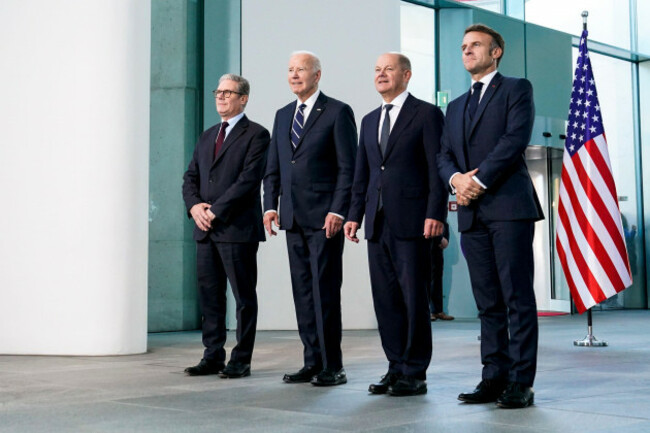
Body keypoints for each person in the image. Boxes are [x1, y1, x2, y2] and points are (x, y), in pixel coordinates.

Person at [437, 24, 544, 408]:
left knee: (516, 297)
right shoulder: (454, 106)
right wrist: (454, 180)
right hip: (471, 213)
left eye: (475, 45)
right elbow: (443, 154)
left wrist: (475, 181)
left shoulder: (516, 88)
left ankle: (521, 382)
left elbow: (513, 140)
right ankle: (493, 377)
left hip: (508, 207)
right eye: (463, 46)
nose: (467, 51)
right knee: (488, 302)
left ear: (495, 52)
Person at [344, 52, 447, 396]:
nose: (381, 74)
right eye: (377, 69)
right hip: (377, 221)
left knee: (413, 298)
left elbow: (436, 169)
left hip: (415, 222)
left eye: (388, 69)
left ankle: (415, 371)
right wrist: (354, 215)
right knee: (385, 299)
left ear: (406, 75)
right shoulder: (370, 119)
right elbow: (363, 172)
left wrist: (437, 214)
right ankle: (395, 366)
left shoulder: (427, 114)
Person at [263, 51, 357, 386]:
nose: (293, 75)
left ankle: (334, 365)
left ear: (317, 75)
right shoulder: (282, 114)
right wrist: (270, 205)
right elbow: (274, 165)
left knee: (325, 292)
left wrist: (338, 209)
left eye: (300, 70)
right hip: (291, 218)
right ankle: (312, 361)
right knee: (303, 292)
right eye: (289, 70)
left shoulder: (337, 112)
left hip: (324, 219)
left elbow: (349, 167)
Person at [182, 73, 270, 379]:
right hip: (205, 230)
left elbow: (247, 182)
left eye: (227, 93)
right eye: (217, 92)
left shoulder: (257, 135)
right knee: (210, 296)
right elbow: (190, 176)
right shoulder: (207, 135)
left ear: (243, 98)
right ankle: (213, 355)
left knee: (243, 298)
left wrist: (214, 211)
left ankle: (241, 359)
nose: (220, 97)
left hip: (236, 229)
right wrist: (194, 207)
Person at [429, 222, 454, 321]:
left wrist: (443, 239)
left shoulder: (444, 222)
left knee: (437, 281)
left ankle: (437, 311)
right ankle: (429, 311)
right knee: (426, 281)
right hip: (426, 249)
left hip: (437, 252)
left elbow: (445, 242)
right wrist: (440, 239)